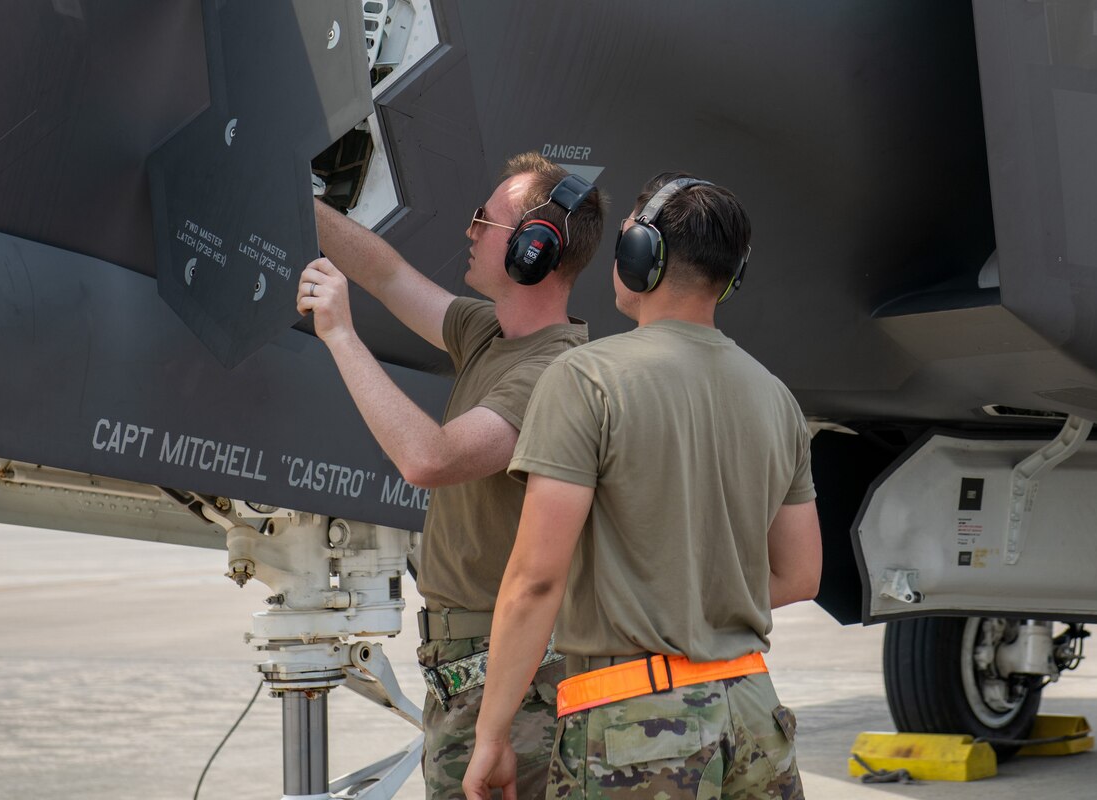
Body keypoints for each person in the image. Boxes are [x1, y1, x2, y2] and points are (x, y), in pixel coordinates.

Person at [462, 173, 822, 800]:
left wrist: (492, 734)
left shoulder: (586, 380)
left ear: (640, 256)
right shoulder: (776, 398)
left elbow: (536, 579)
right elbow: (800, 575)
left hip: (635, 725)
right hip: (755, 717)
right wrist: (690, 599)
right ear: (730, 277)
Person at [295, 152, 607, 800]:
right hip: (469, 679)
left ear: (533, 250)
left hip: (512, 694)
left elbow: (428, 459)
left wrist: (341, 336)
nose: (468, 231)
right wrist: (295, 207)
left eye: (483, 221)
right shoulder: (491, 333)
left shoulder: (552, 376)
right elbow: (385, 273)